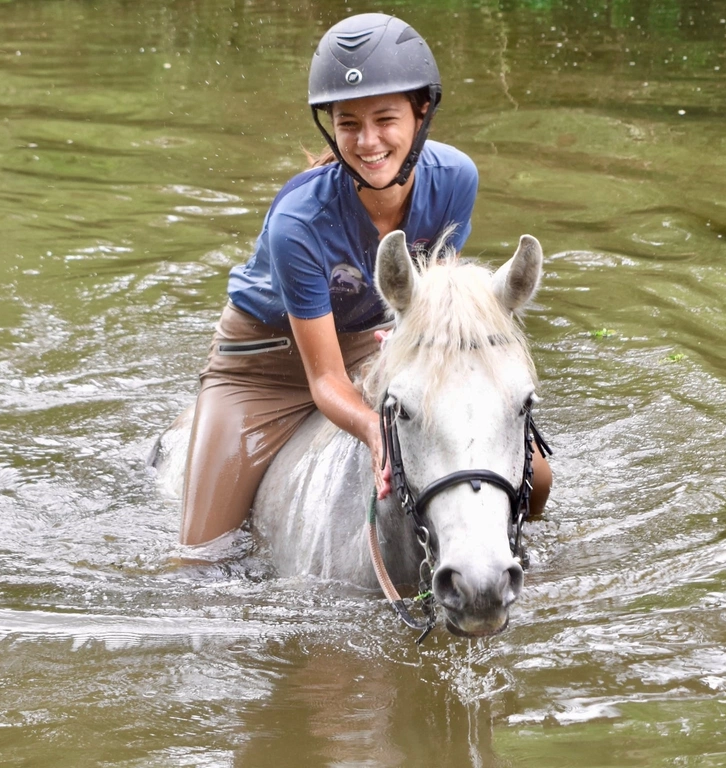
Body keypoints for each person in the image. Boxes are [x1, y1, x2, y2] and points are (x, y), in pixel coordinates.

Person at [179, 13, 551, 546]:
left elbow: (436, 309)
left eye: (385, 119)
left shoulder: (456, 180)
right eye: (348, 123)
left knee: (536, 478)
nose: (368, 141)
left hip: (363, 343)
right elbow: (324, 381)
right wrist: (376, 431)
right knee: (200, 555)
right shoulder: (298, 221)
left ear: (421, 113)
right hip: (261, 368)